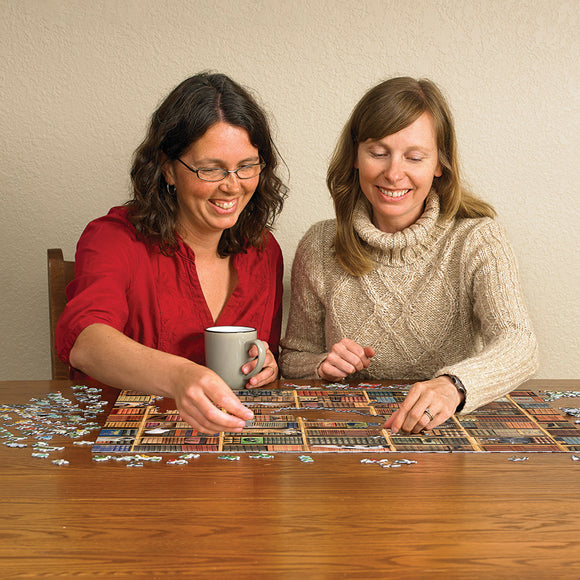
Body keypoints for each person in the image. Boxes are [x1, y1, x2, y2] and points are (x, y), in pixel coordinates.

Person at [280, 76, 538, 434]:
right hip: (352, 436)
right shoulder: (319, 244)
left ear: (439, 164)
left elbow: (519, 343)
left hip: (448, 433)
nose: (393, 173)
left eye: (414, 157)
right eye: (378, 153)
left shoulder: (478, 238)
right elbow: (292, 359)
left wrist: (453, 386)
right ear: (356, 156)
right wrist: (322, 365)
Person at [56, 72, 287, 434]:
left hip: (233, 456)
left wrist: (268, 365)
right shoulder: (113, 239)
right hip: (123, 453)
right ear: (167, 168)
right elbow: (86, 342)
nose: (232, 185)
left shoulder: (264, 251)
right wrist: (181, 377)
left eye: (246, 166)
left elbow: (263, 358)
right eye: (209, 169)